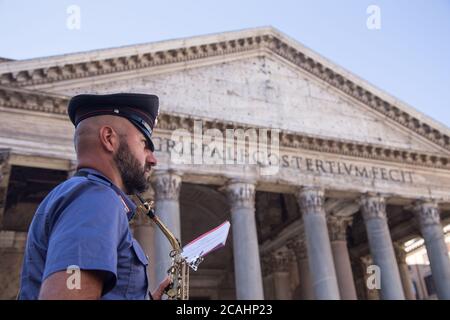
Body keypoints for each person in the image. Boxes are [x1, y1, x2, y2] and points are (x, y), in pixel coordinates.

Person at [18, 93, 170, 300]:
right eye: (144, 144)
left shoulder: (84, 195)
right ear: (109, 139)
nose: (153, 160)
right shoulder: (96, 200)